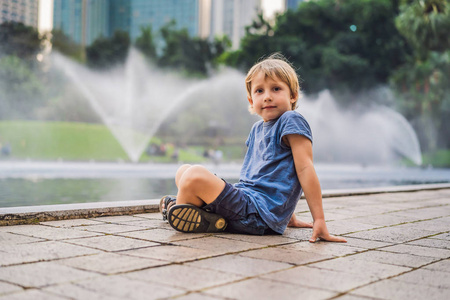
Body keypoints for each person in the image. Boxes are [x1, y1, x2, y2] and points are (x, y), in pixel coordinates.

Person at [160, 53, 346, 243]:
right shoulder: (257, 129)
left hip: (258, 215)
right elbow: (271, 177)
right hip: (247, 202)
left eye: (276, 89)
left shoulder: (291, 120)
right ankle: (202, 216)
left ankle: (181, 212)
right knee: (184, 171)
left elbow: (304, 169)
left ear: (293, 95)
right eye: (259, 91)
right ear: (251, 100)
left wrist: (319, 220)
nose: (267, 97)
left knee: (194, 175)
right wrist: (288, 216)